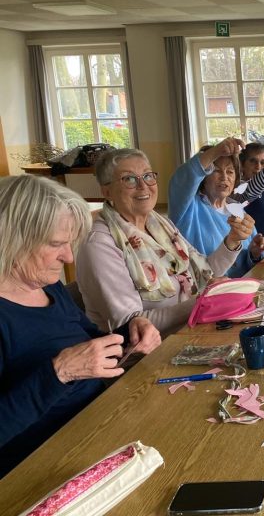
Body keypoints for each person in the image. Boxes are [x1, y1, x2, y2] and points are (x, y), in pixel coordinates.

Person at [0, 175, 161, 477]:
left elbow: (88, 342)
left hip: (100, 423)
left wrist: (129, 334)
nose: (69, 256)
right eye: (56, 244)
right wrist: (60, 373)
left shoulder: (47, 287)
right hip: (43, 466)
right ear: (12, 239)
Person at [77, 149, 253, 336]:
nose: (143, 186)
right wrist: (202, 302)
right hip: (152, 349)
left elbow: (205, 271)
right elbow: (132, 325)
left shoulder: (161, 225)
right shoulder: (100, 244)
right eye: (129, 179)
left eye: (147, 176)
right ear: (107, 191)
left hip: (191, 330)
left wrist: (233, 240)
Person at [169, 131, 264, 276]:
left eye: (230, 172)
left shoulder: (238, 211)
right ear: (203, 177)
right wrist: (216, 151)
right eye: (216, 171)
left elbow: (245, 265)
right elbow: (183, 177)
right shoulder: (188, 207)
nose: (224, 177)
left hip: (244, 284)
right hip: (208, 287)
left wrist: (254, 252)